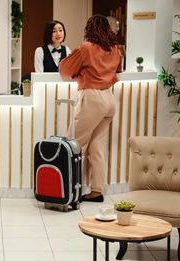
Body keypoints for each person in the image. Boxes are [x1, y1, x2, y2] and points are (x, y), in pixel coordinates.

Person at [59, 15, 122, 202]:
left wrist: (81, 73)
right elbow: (115, 72)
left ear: (89, 28)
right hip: (109, 100)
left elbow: (65, 71)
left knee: (76, 145)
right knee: (96, 148)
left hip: (92, 98)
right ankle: (96, 191)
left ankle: (71, 190)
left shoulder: (86, 48)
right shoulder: (115, 49)